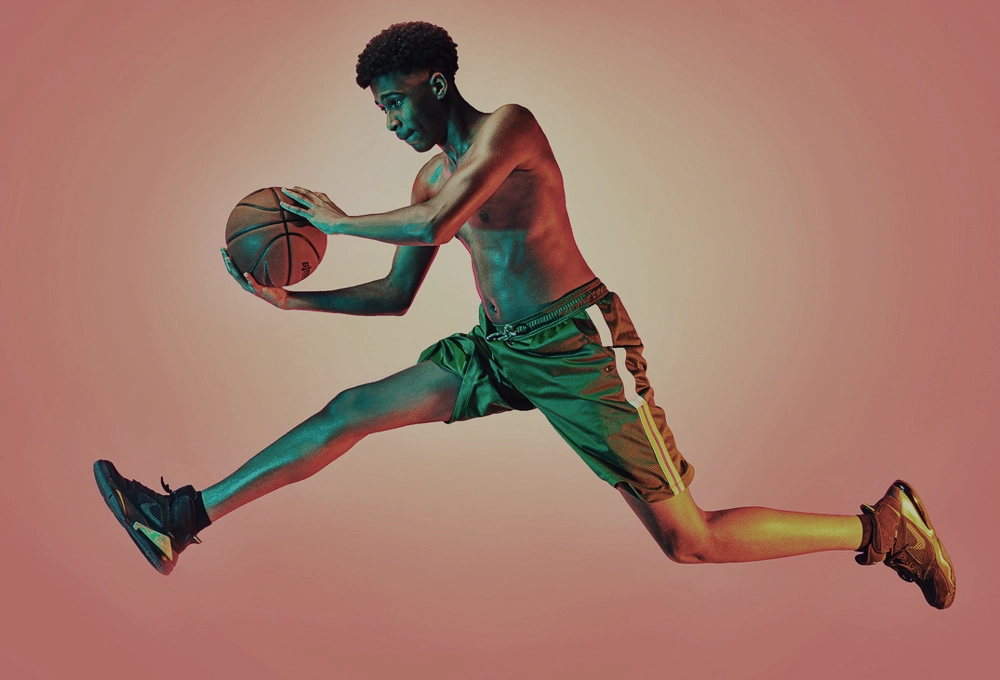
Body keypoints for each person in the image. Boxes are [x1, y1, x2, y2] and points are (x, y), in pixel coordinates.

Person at [93, 21, 955, 609]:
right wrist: (294, 301)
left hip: (579, 346)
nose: (390, 120)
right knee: (350, 410)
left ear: (437, 83)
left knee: (687, 540)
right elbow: (395, 295)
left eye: (395, 101)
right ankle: (182, 519)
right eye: (380, 108)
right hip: (496, 349)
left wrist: (334, 220)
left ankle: (882, 526)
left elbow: (437, 225)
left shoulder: (510, 129)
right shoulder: (430, 176)